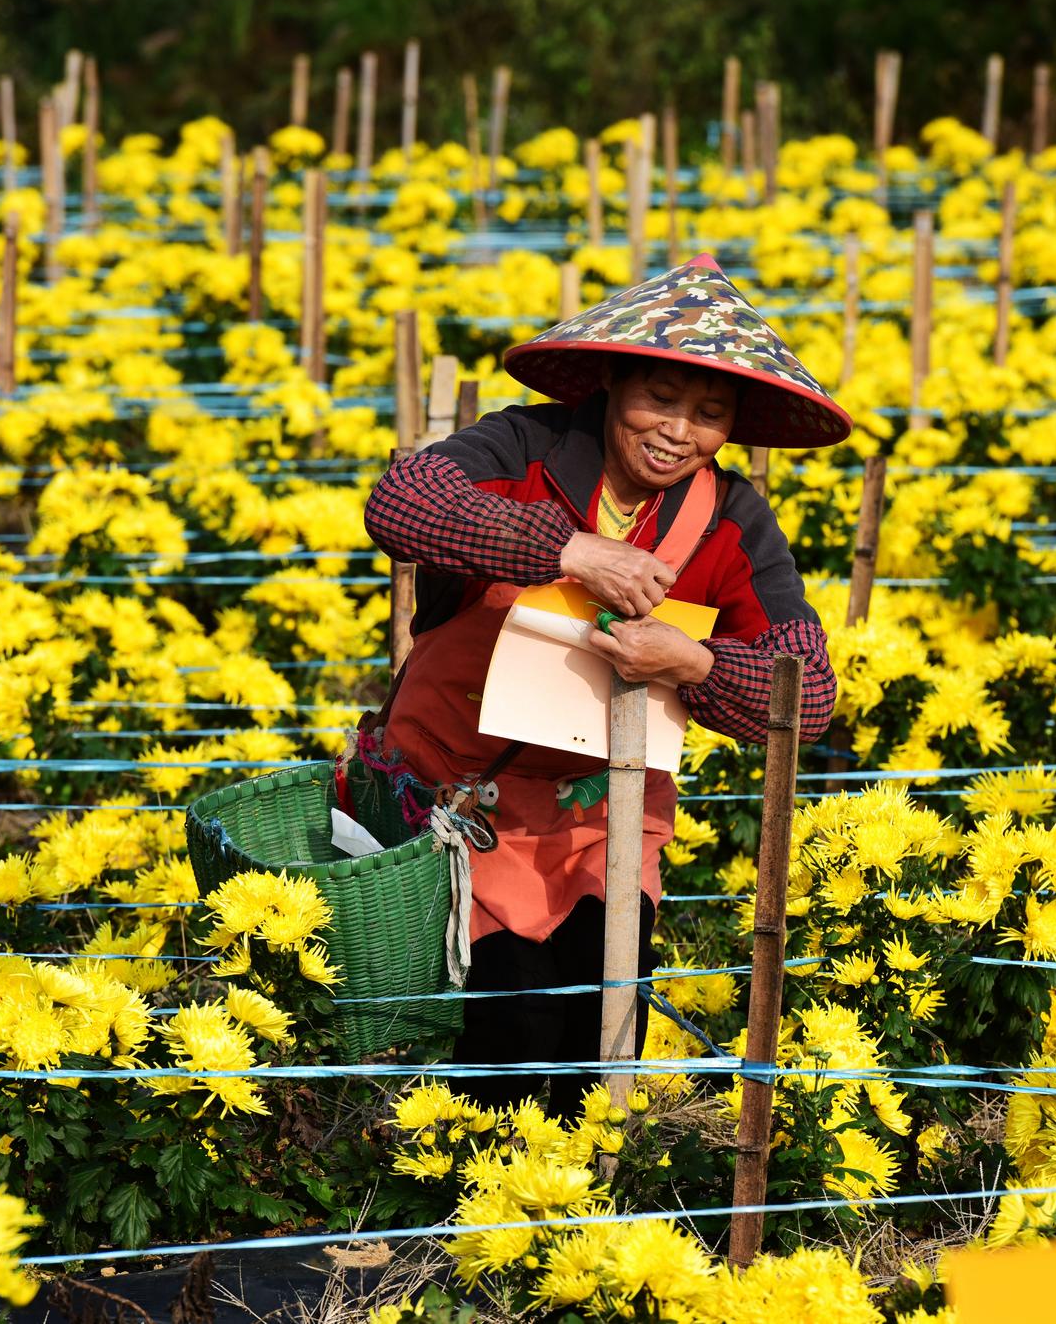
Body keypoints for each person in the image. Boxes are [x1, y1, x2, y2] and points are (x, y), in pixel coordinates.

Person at [362, 253, 847, 1113]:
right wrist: (568, 550)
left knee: (593, 1038)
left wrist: (692, 663)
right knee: (503, 1041)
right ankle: (471, 1226)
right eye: (661, 398)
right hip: (455, 800)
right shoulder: (522, 445)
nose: (678, 431)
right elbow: (400, 501)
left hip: (602, 812)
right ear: (612, 384)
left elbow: (805, 694)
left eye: (709, 412)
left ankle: (573, 1222)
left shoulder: (732, 518)